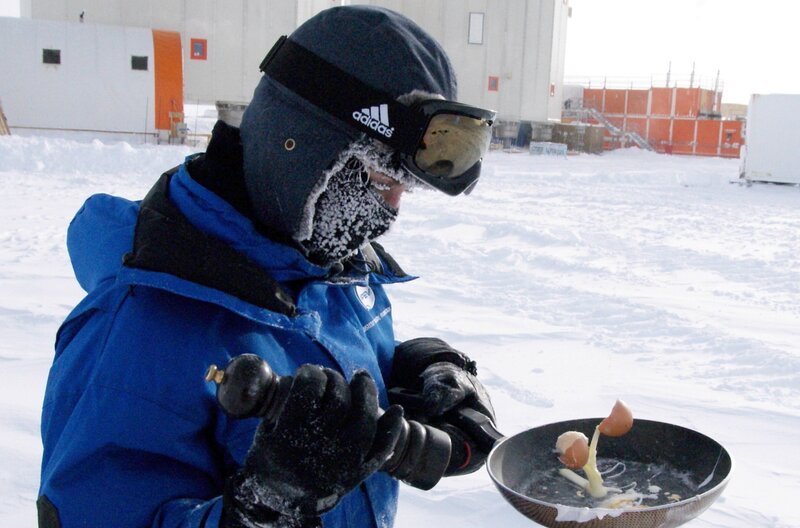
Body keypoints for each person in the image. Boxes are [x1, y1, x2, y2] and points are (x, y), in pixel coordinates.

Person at [37, 6, 497, 528]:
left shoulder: (327, 263)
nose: (391, 211)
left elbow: (339, 376)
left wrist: (423, 371)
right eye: (377, 178)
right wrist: (261, 511)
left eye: (404, 189)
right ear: (302, 149)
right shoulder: (137, 327)